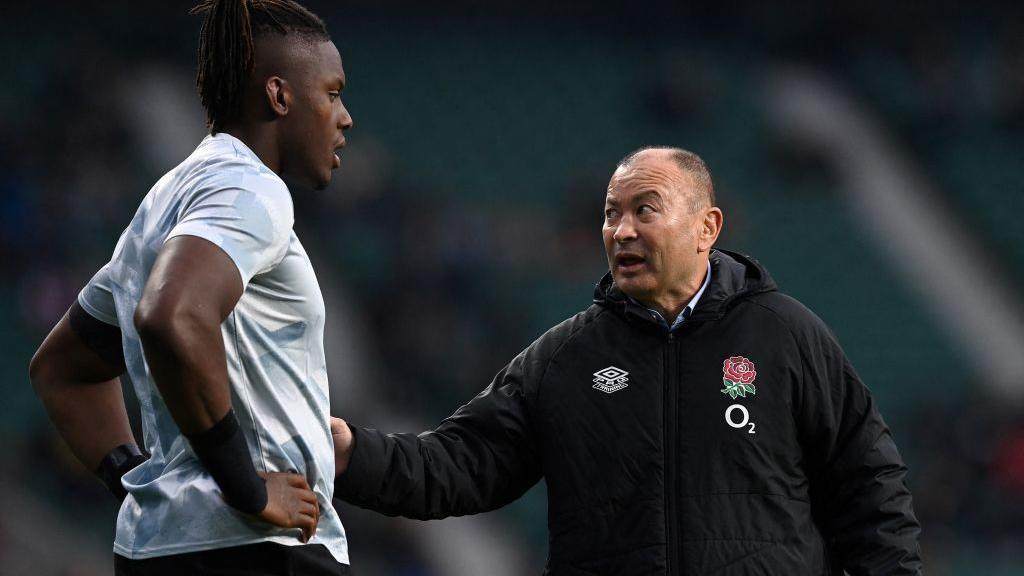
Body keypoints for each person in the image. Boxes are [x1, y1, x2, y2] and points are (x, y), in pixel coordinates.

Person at [330, 147, 923, 575]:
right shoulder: (564, 358)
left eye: (646, 209)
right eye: (612, 213)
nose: (621, 230)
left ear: (705, 228)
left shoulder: (788, 337)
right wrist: (350, 452)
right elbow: (458, 465)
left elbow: (869, 486)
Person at [29, 1, 354, 574]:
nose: (345, 116)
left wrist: (137, 481)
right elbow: (171, 314)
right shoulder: (252, 190)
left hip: (160, 548)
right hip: (256, 546)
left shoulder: (162, 206)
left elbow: (63, 368)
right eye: (332, 93)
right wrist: (248, 490)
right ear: (279, 96)